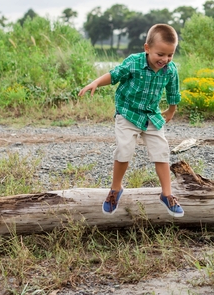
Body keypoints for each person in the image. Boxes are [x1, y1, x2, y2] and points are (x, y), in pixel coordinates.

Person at [78, 24, 184, 217]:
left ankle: (167, 194)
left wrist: (171, 110)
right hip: (127, 113)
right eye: (160, 54)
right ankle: (115, 189)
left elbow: (173, 92)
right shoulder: (134, 62)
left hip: (151, 114)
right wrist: (95, 83)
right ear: (147, 48)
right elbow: (115, 75)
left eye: (170, 55)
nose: (165, 59)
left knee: (161, 150)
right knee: (124, 149)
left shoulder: (170, 70)